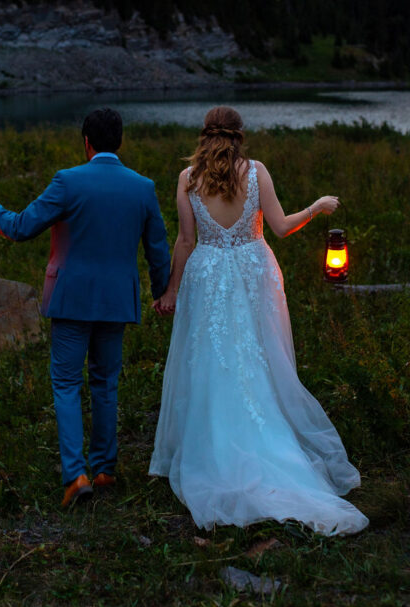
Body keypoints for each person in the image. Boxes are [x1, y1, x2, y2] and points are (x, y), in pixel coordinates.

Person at [149, 106, 368, 535]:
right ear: (240, 135)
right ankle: (265, 447)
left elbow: (186, 240)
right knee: (258, 358)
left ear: (205, 133)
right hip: (252, 270)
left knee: (211, 361)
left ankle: (212, 447)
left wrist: (171, 290)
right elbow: (283, 228)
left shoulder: (187, 179)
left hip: (208, 273)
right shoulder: (257, 171)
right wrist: (317, 207)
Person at [0, 108, 170, 508]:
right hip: (116, 303)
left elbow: (21, 227)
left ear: (86, 142)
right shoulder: (143, 187)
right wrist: (161, 291)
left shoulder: (68, 181)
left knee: (65, 384)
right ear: (120, 142)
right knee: (105, 383)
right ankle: (105, 469)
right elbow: (158, 249)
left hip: (71, 301)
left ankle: (75, 476)